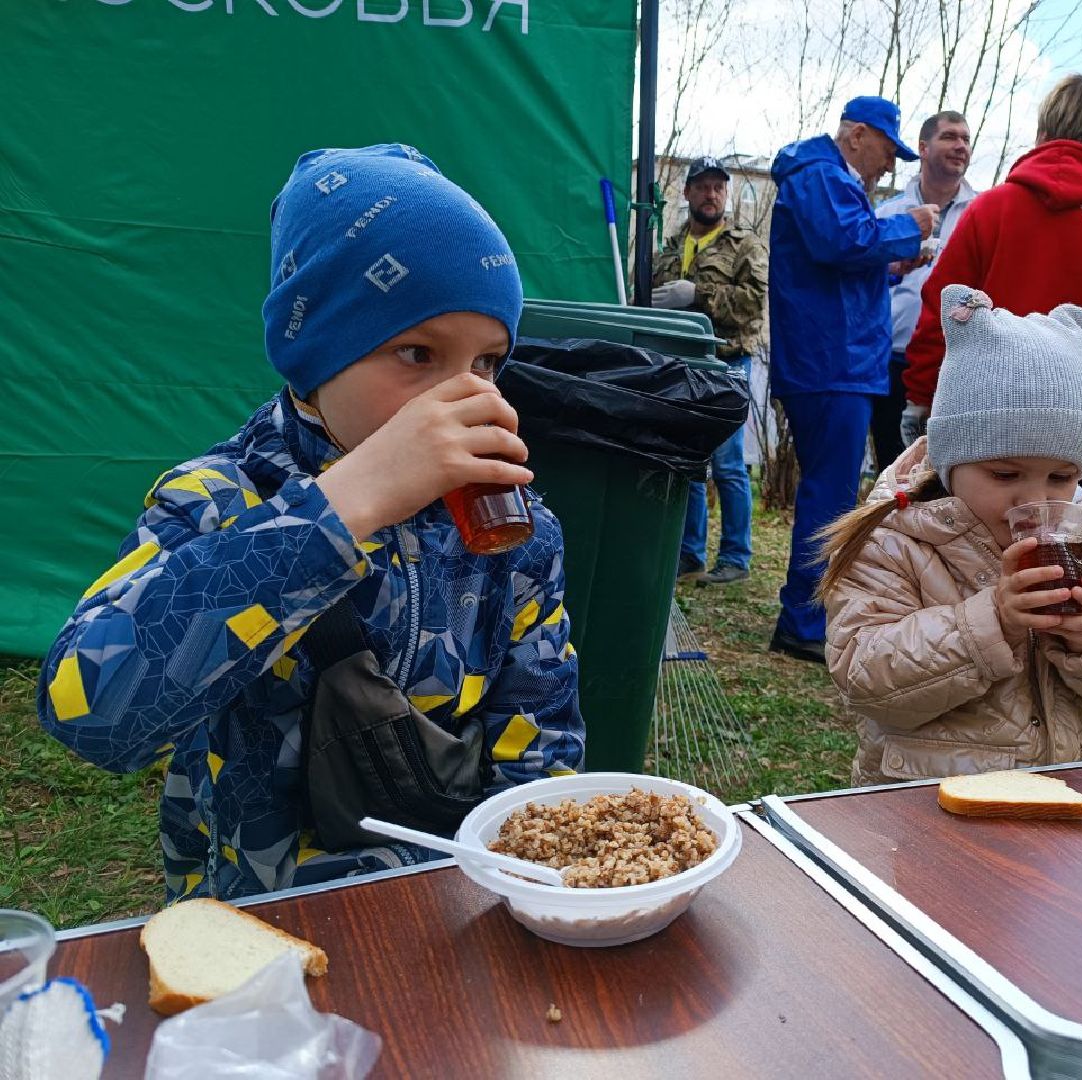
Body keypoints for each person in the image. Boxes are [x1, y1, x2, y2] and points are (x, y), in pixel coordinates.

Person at [36, 145, 584, 902]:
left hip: (446, 911)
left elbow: (542, 746)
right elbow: (86, 714)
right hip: (258, 917)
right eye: (418, 353)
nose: (463, 395)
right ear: (312, 353)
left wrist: (529, 888)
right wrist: (340, 508)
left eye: (488, 362)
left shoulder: (518, 537)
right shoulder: (216, 500)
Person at [820, 286, 1082, 784]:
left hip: (1068, 794)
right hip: (929, 806)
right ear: (949, 464)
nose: (1032, 500)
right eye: (1005, 476)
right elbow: (864, 678)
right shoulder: (897, 538)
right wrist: (990, 623)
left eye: (1060, 478)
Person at [903, 74, 1082, 493]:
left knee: (972, 548)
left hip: (984, 414)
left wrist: (921, 397)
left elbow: (942, 311)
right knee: (1061, 546)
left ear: (1043, 132)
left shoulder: (989, 211)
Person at [767, 95, 939, 662]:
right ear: (858, 134)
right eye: (890, 149)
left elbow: (838, 263)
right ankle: (803, 621)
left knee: (832, 492)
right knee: (831, 496)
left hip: (835, 359)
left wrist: (888, 268)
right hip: (830, 363)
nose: (891, 164)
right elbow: (841, 243)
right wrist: (906, 230)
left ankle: (807, 615)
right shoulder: (819, 173)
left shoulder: (824, 177)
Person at [652, 156, 768, 586]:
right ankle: (690, 555)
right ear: (687, 193)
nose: (711, 194)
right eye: (702, 186)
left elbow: (752, 304)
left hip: (726, 363)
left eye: (718, 187)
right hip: (680, 363)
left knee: (728, 464)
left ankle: (736, 557)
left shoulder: (744, 244)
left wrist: (696, 294)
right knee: (690, 461)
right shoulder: (671, 245)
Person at [873, 111, 977, 467]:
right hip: (892, 362)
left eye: (965, 138)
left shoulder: (982, 214)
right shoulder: (887, 213)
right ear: (923, 147)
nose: (960, 145)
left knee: (952, 478)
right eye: (949, 137)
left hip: (959, 366)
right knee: (895, 472)